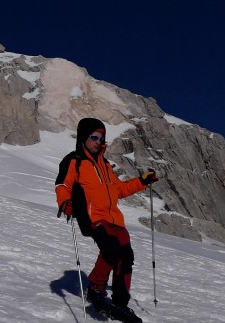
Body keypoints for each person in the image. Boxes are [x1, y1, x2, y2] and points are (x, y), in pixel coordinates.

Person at [54, 118, 159, 323]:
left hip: (114, 219)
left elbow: (118, 190)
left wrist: (142, 181)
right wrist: (65, 202)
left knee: (126, 256)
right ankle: (96, 289)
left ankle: (120, 303)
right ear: (84, 137)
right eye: (94, 137)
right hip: (93, 217)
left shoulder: (105, 165)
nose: (98, 141)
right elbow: (62, 185)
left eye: (101, 138)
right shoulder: (74, 161)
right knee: (110, 248)